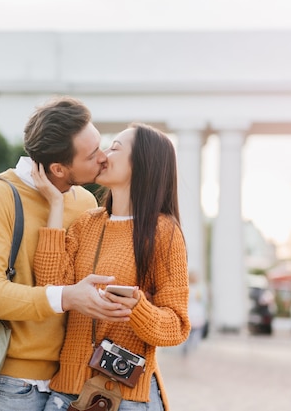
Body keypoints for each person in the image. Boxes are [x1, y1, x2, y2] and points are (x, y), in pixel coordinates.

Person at [0, 96, 132, 411]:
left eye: (102, 145)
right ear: (58, 168)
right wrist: (65, 296)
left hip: (71, 388)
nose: (104, 157)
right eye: (93, 153)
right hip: (10, 387)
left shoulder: (83, 201)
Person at [32, 122, 191, 411]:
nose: (103, 155)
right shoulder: (86, 223)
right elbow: (50, 284)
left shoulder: (163, 232)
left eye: (114, 148)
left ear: (142, 164)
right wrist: (56, 204)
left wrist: (135, 307)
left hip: (123, 398)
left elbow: (177, 327)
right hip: (65, 394)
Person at [182, 271, 207, 356]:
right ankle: (190, 346)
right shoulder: (194, 289)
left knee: (192, 331)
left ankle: (188, 346)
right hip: (193, 312)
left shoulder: (192, 288)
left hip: (193, 312)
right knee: (194, 331)